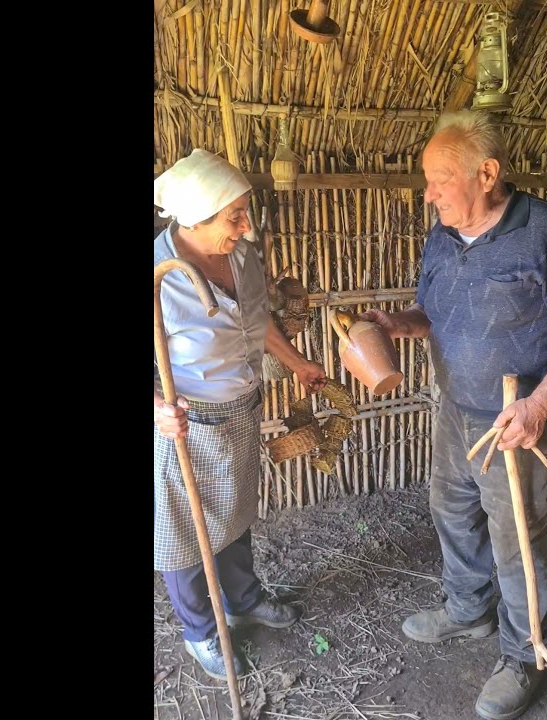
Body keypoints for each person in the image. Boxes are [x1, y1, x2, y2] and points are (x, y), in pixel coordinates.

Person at [359, 110, 547, 720]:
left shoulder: (544, 232)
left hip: (515, 419)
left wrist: (540, 403)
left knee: (518, 538)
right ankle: (468, 610)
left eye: (440, 179)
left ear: (487, 172)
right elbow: (434, 312)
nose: (429, 192)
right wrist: (399, 325)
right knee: (450, 509)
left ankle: (528, 652)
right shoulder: (442, 235)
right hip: (456, 408)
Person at [154, 148, 327, 681]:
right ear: (195, 219)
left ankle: (243, 598)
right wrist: (157, 409)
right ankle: (201, 633)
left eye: (245, 212)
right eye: (235, 216)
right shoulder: (159, 274)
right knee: (184, 533)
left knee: (234, 514)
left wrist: (296, 363)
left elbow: (256, 322)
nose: (247, 226)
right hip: (185, 424)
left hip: (241, 411)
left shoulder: (242, 256)